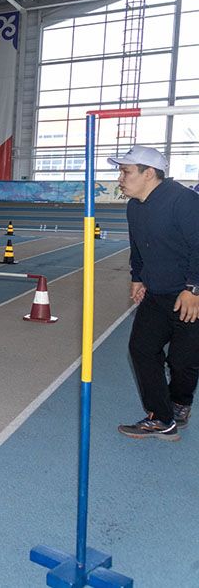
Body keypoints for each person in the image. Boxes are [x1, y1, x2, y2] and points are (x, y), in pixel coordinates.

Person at [109, 146, 199, 441]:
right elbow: (138, 246)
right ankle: (162, 418)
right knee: (141, 349)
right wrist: (138, 277)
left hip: (189, 294)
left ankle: (180, 403)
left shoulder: (183, 201)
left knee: (183, 361)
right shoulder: (134, 206)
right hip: (157, 293)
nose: (120, 177)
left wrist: (193, 288)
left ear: (149, 174)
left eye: (126, 171)